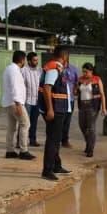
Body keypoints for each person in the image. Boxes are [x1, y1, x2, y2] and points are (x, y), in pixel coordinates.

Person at [39, 46, 73, 181]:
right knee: (53, 140)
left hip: (60, 108)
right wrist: (50, 109)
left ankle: (56, 165)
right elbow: (47, 88)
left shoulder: (59, 68)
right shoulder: (54, 68)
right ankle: (47, 170)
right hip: (55, 109)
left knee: (56, 139)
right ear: (65, 56)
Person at [2, 50, 34, 160]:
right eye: (24, 59)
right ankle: (23, 150)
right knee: (25, 123)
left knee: (12, 127)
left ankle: (10, 150)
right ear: (22, 60)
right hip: (15, 102)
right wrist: (18, 104)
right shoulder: (14, 70)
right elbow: (15, 87)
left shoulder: (8, 69)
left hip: (9, 102)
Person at [77, 63, 107, 158]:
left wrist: (104, 108)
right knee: (82, 126)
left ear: (91, 71)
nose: (84, 73)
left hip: (93, 106)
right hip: (82, 105)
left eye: (86, 71)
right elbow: (76, 92)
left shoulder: (97, 79)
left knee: (91, 128)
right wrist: (75, 89)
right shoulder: (80, 79)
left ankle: (90, 149)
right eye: (83, 71)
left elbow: (102, 94)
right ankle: (88, 142)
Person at [20, 52, 42, 147]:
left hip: (37, 101)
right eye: (34, 60)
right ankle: (20, 142)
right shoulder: (23, 71)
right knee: (25, 123)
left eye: (37, 60)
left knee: (34, 122)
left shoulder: (40, 70)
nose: (36, 62)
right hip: (27, 101)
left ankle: (33, 140)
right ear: (29, 61)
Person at [60, 53, 80, 149]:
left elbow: (77, 82)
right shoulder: (57, 69)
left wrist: (76, 89)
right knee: (59, 120)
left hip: (70, 99)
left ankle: (65, 140)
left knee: (67, 121)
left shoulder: (74, 69)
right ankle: (57, 139)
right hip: (59, 99)